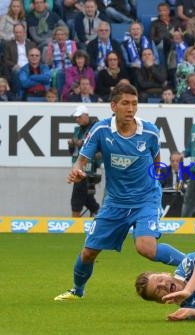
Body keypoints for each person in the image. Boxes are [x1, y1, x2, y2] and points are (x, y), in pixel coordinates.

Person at [54, 83, 186, 301]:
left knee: (146, 248)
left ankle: (192, 263)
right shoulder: (101, 130)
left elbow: (156, 163)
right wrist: (78, 170)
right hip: (115, 202)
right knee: (88, 253)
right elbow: (82, 160)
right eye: (125, 103)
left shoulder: (150, 132)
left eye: (134, 104)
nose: (131, 109)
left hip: (146, 199)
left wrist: (154, 189)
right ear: (113, 106)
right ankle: (77, 291)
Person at [67, 105, 100, 217]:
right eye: (76, 117)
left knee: (76, 199)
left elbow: (89, 145)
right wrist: (72, 144)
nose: (77, 119)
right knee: (86, 197)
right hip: (78, 166)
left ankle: (74, 224)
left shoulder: (95, 128)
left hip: (87, 168)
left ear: (86, 115)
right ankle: (98, 212)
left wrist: (77, 142)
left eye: (79, 117)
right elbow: (73, 151)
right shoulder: (78, 130)